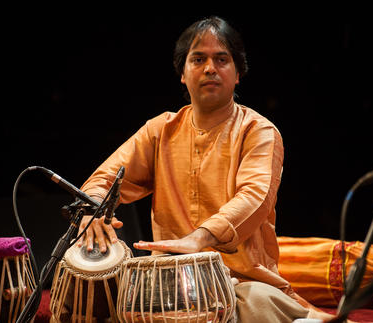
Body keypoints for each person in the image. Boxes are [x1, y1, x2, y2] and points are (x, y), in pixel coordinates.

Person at [76, 16, 334, 322]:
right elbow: (104, 179)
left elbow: (255, 197)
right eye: (198, 59)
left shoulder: (258, 131)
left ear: (238, 73)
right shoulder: (160, 130)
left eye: (221, 59)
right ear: (182, 73)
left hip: (241, 282)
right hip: (170, 284)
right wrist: (92, 210)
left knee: (255, 305)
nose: (210, 68)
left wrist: (199, 239)